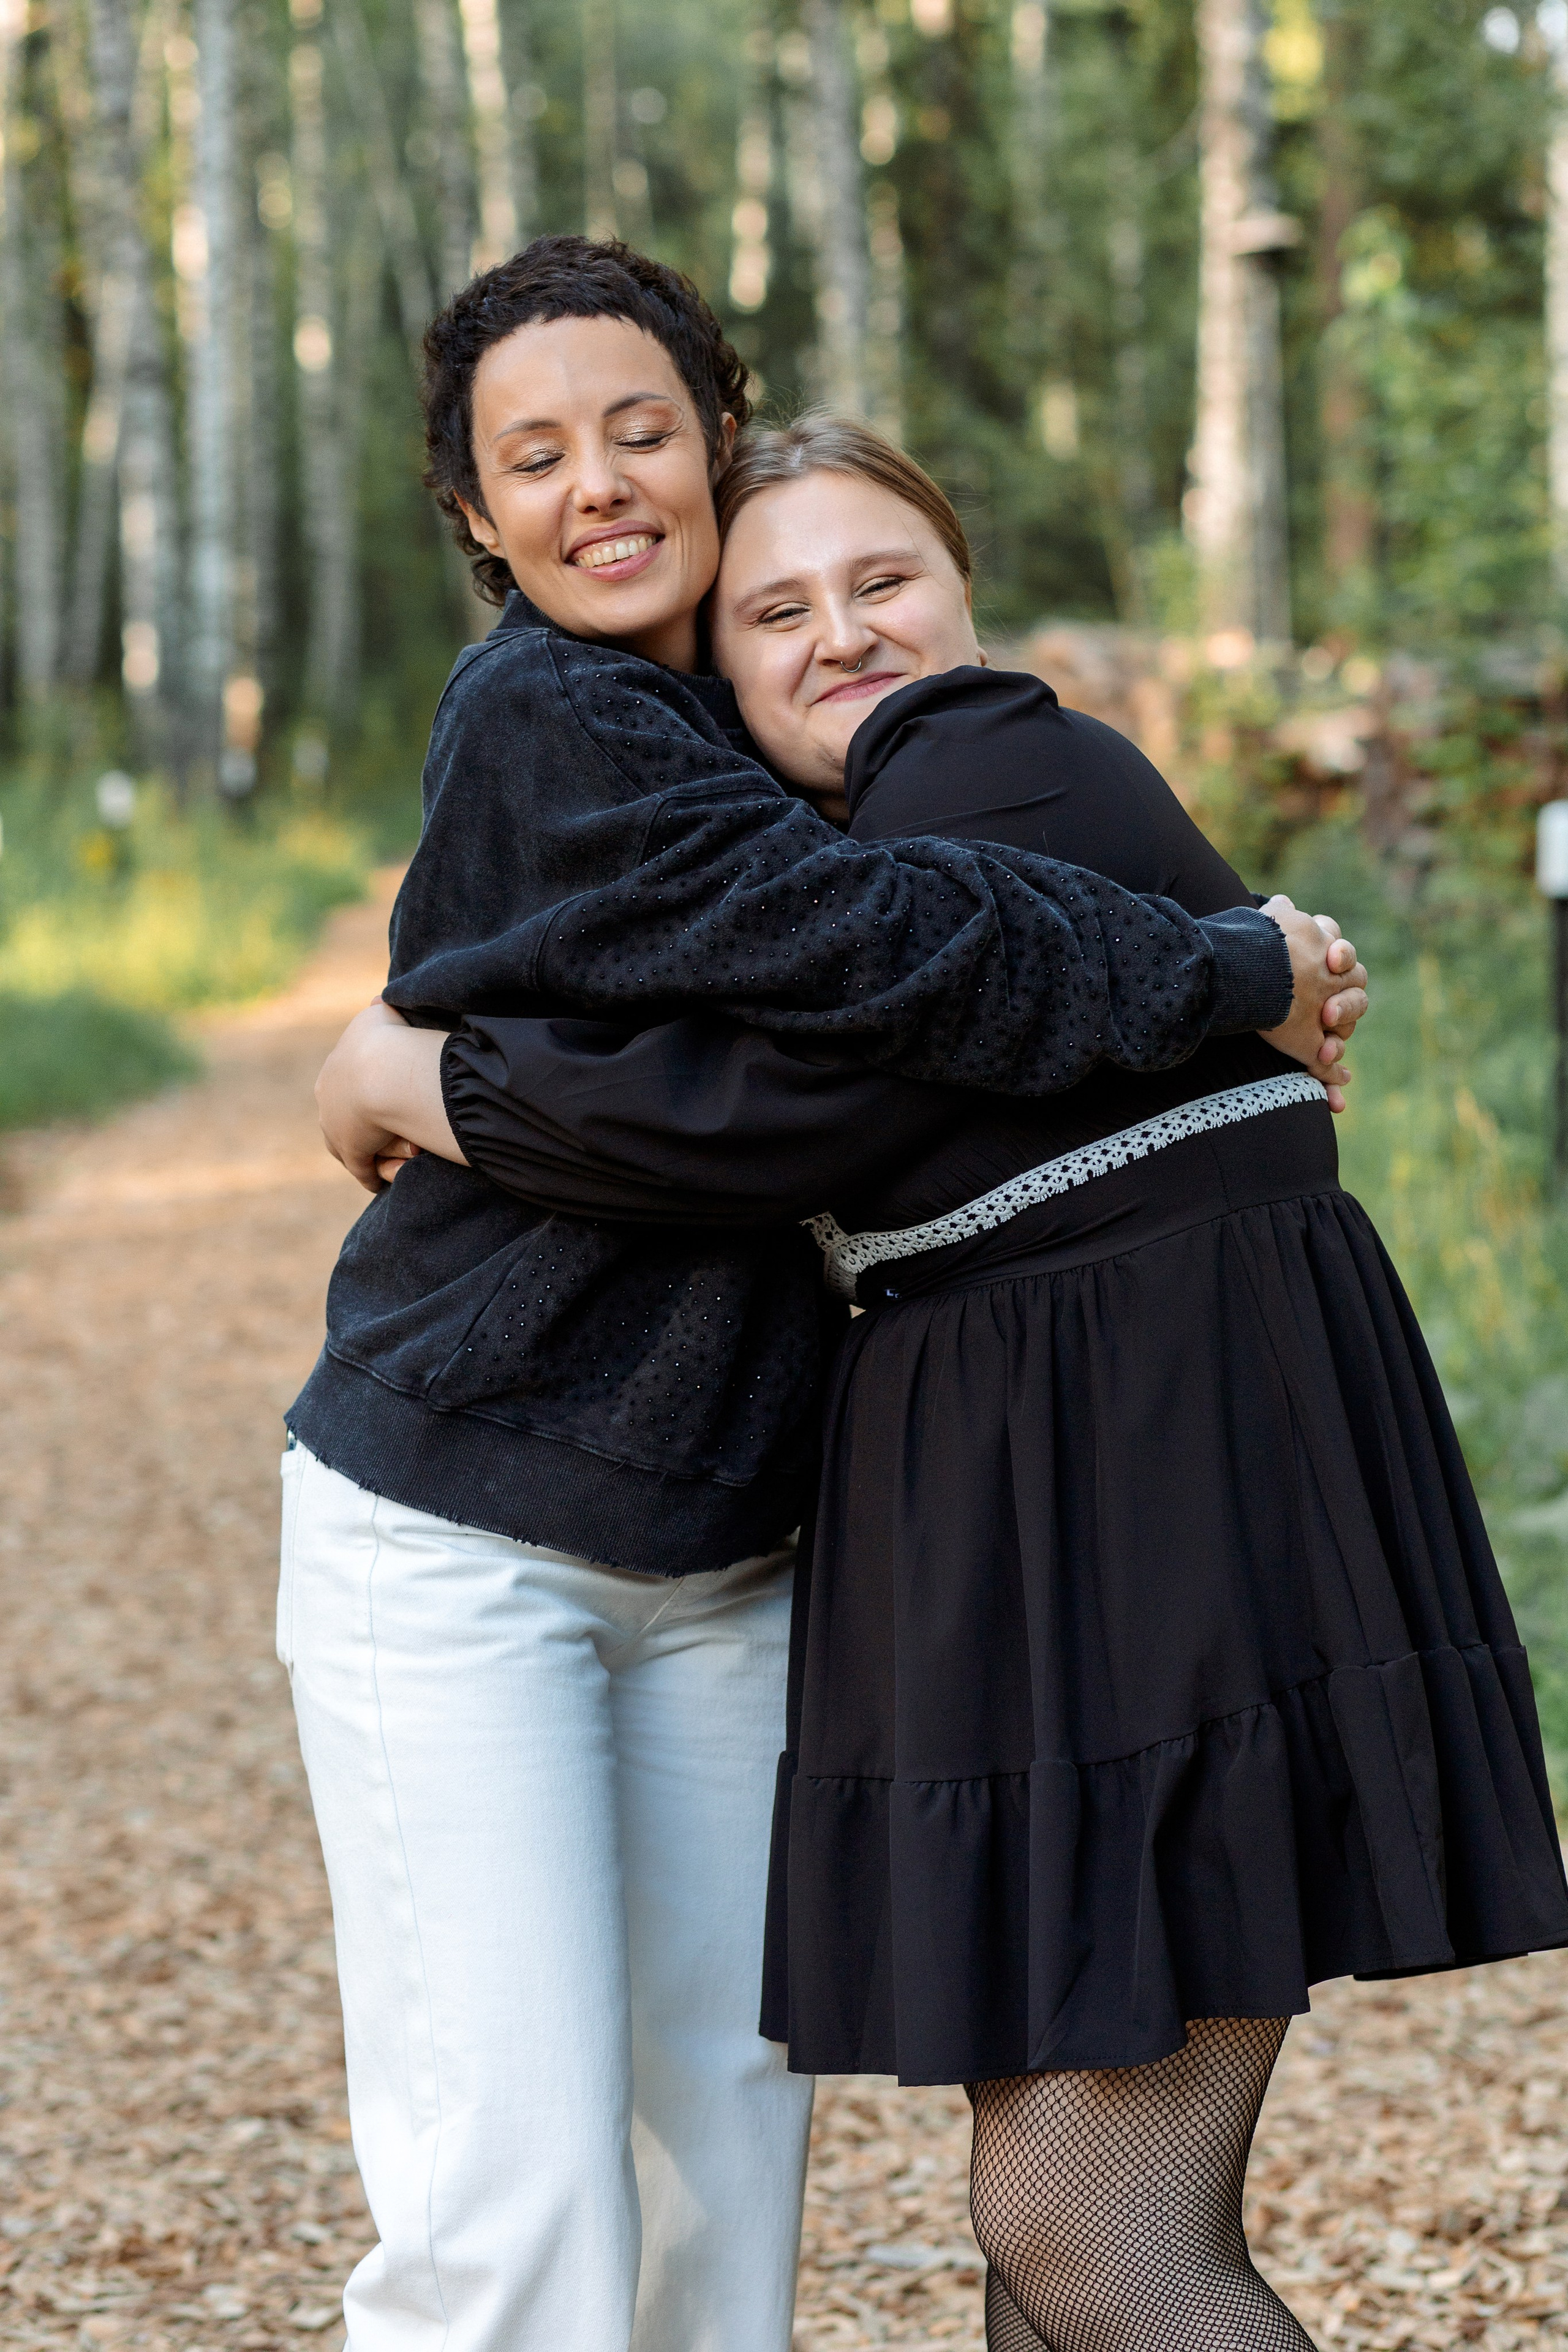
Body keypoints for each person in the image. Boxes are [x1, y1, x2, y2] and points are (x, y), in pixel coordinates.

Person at [331, 417, 1568, 2352]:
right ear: (718, 671)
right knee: (1040, 2236)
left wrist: (420, 1085)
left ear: (965, 589)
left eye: (880, 577)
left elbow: (776, 1115)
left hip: (1163, 1497)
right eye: (778, 609)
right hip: (1054, 1508)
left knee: (1085, 2224)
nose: (842, 633)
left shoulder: (992, 759)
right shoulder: (826, 849)